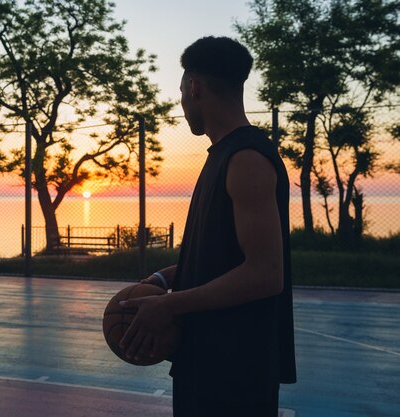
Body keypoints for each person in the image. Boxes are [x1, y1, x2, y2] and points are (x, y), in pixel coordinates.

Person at [118, 36, 297, 417]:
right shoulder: (224, 155)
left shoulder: (246, 158)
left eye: (182, 90)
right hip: (208, 362)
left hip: (235, 374)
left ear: (194, 87)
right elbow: (220, 256)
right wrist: (163, 280)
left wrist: (169, 306)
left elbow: (266, 273)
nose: (182, 103)